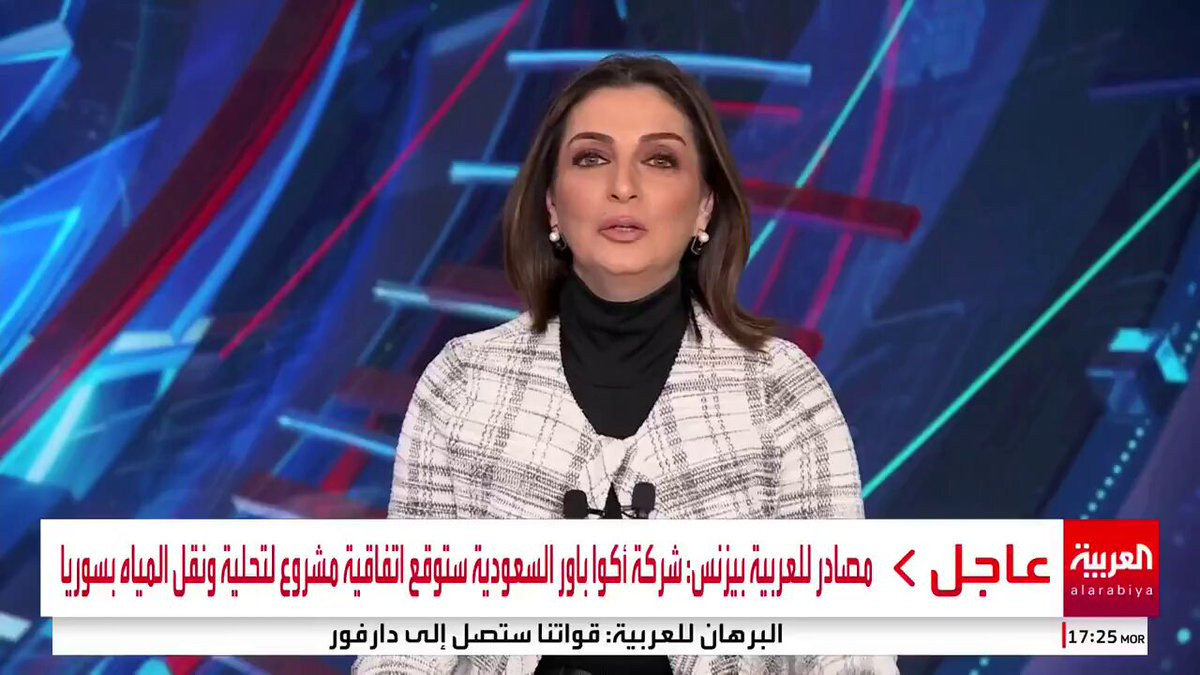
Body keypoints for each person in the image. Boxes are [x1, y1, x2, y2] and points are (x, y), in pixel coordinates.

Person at [353, 55, 897, 675]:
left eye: (660, 160)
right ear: (552, 205)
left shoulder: (779, 390)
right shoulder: (462, 383)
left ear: (704, 208)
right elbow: (404, 643)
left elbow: (845, 645)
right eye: (592, 158)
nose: (623, 186)